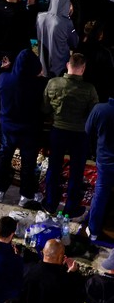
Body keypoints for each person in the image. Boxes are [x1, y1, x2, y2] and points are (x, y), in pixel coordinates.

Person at [42, 53, 98, 217]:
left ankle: (51, 203)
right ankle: (71, 207)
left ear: (68, 65)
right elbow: (93, 115)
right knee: (76, 170)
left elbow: (45, 109)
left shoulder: (53, 83)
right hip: (79, 134)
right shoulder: (89, 89)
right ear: (83, 68)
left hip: (58, 130)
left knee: (54, 166)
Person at [0, 49, 46, 206]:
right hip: (29, 129)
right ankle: (26, 195)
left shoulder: (3, 78)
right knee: (28, 163)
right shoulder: (39, 85)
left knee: (4, 156)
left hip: (8, 127)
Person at [22, 239, 84, 303]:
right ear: (60, 256)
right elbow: (77, 300)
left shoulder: (30, 270)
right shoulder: (64, 279)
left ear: (43, 253)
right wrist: (73, 273)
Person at [86, 93, 114, 241]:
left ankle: (94, 231)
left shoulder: (100, 109)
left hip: (104, 159)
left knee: (101, 194)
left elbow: (88, 130)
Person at [37, 0, 78, 77]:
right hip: (59, 69)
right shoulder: (66, 23)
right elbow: (74, 42)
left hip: (42, 66)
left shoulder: (40, 17)